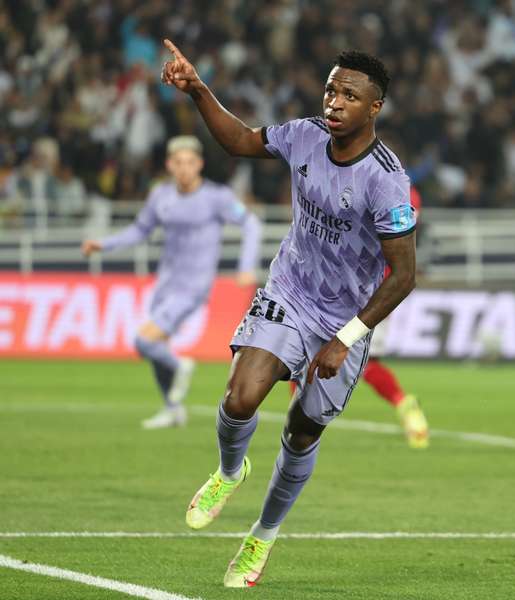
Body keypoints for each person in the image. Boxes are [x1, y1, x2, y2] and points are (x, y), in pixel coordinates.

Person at [160, 40, 417, 587]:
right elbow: (238, 142)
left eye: (350, 95)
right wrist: (199, 89)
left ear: (374, 108)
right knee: (240, 396)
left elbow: (404, 275)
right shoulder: (303, 136)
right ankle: (231, 472)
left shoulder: (386, 180)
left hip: (345, 315)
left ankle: (262, 536)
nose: (334, 101)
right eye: (330, 89)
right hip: (291, 290)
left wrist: (346, 337)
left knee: (302, 432)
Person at [82, 135, 261, 429]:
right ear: (169, 165)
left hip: (194, 284)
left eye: (190, 162)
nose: (184, 168)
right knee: (156, 350)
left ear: (199, 164)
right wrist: (103, 245)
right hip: (165, 283)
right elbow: (139, 231)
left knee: (144, 340)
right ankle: (172, 408)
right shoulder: (161, 196)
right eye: (178, 163)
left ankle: (181, 366)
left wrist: (246, 266)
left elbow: (251, 223)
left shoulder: (216, 197)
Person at [287, 184, 429, 448]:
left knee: (306, 355)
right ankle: (402, 402)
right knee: (367, 363)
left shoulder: (367, 183)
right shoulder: (405, 190)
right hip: (383, 290)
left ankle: (297, 425)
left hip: (354, 285)